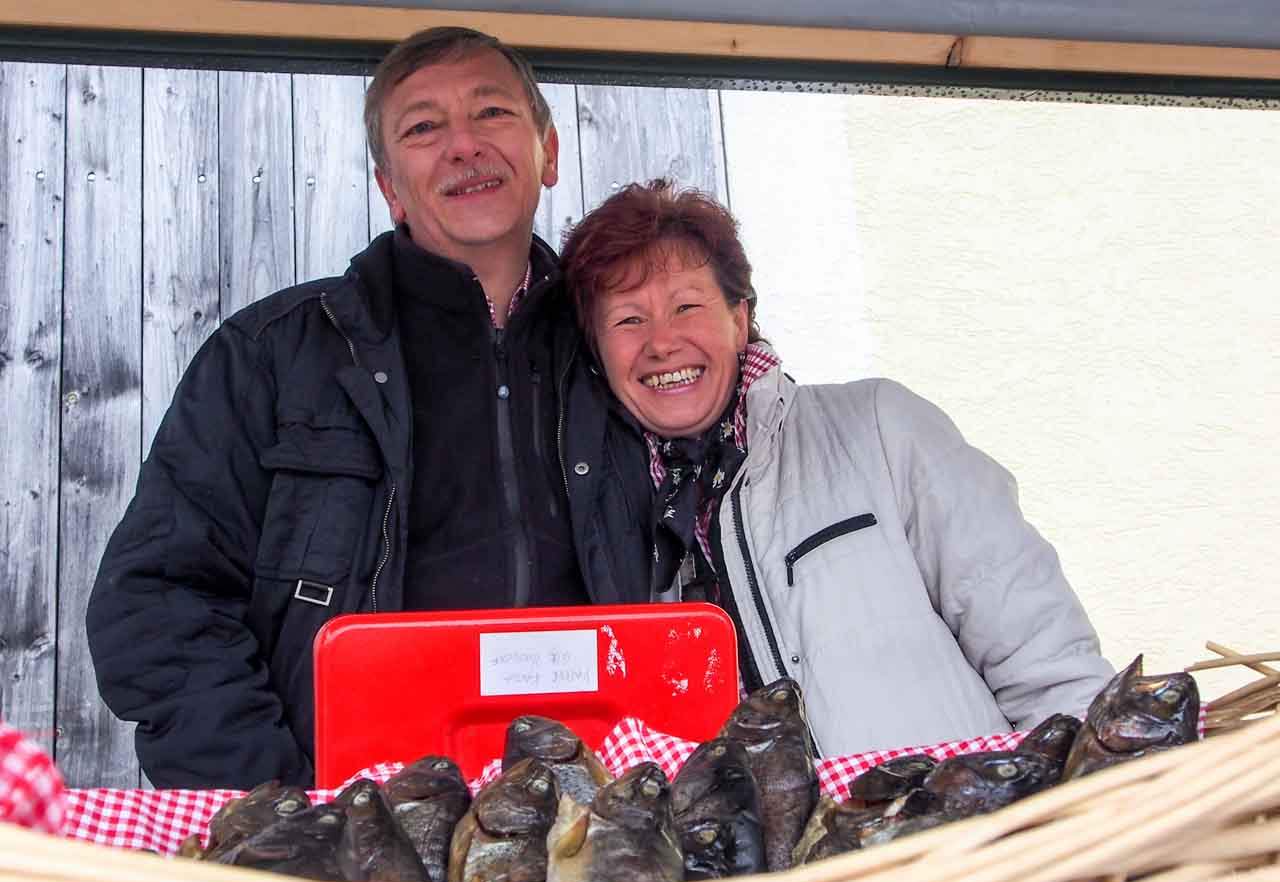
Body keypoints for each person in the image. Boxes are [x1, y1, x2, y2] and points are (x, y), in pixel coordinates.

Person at [85, 27, 628, 789]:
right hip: (351, 814)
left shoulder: (626, 351)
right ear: (390, 187)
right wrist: (273, 801)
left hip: (596, 806)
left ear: (549, 152)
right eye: (423, 127)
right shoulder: (272, 354)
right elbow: (160, 598)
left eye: (492, 112)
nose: (464, 145)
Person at [557, 179, 1116, 758]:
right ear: (598, 353)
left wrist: (1091, 786)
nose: (661, 343)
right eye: (628, 320)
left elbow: (1047, 658)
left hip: (960, 812)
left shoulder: (880, 427)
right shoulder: (602, 533)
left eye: (686, 306)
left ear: (739, 319)